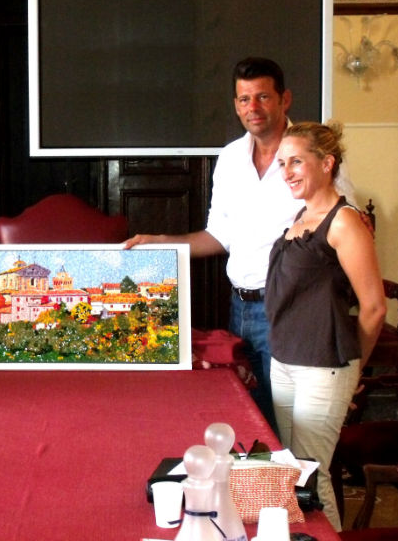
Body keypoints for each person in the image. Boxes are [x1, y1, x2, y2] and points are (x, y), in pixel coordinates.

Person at [125, 57, 355, 432]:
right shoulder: (230, 158)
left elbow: (347, 228)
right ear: (235, 105)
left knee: (291, 432)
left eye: (263, 97)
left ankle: (298, 474)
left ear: (285, 99)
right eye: (244, 99)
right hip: (239, 311)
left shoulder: (311, 157)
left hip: (292, 311)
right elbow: (219, 235)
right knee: (251, 423)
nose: (253, 108)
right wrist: (162, 243)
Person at [265, 121, 385, 530]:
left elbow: (374, 308)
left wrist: (354, 373)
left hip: (323, 365)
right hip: (284, 360)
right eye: (282, 163)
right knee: (293, 473)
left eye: (296, 161)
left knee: (312, 477)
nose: (287, 172)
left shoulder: (344, 221)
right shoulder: (302, 215)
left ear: (327, 163)